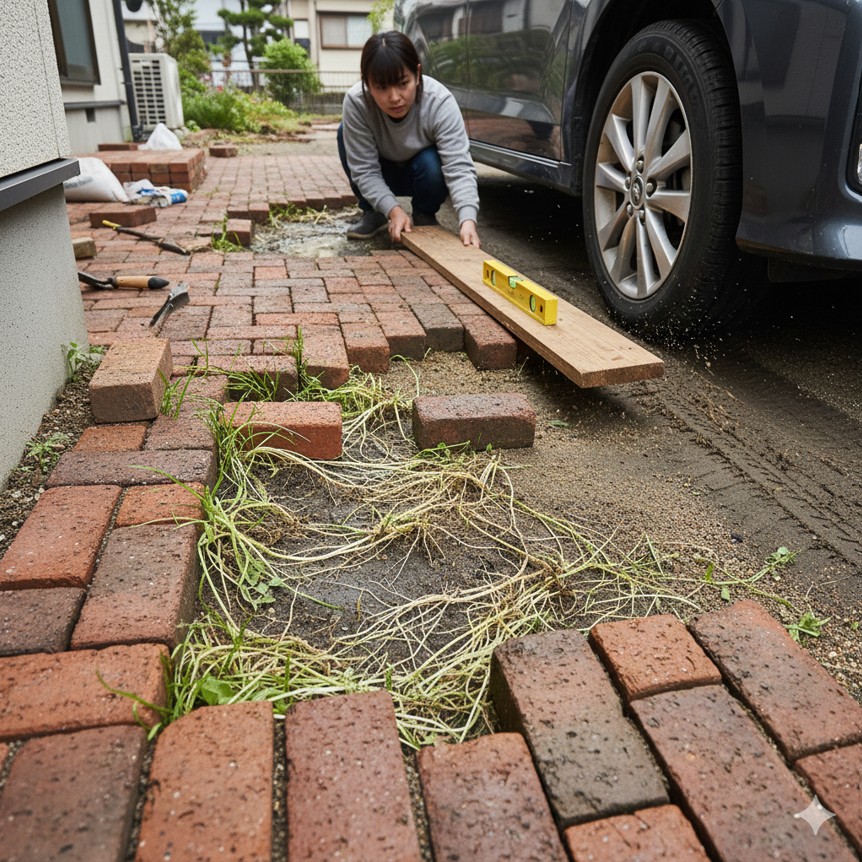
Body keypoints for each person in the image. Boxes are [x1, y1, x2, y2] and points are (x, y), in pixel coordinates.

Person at [338, 31, 481, 248]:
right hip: (382, 169)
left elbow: (458, 166)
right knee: (343, 133)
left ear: (417, 73)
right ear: (367, 83)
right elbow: (365, 170)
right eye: (382, 87)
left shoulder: (440, 102)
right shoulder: (356, 102)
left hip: (422, 173)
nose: (394, 97)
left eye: (403, 83)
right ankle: (374, 211)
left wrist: (468, 219)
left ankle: (424, 213)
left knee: (431, 160)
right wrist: (393, 210)